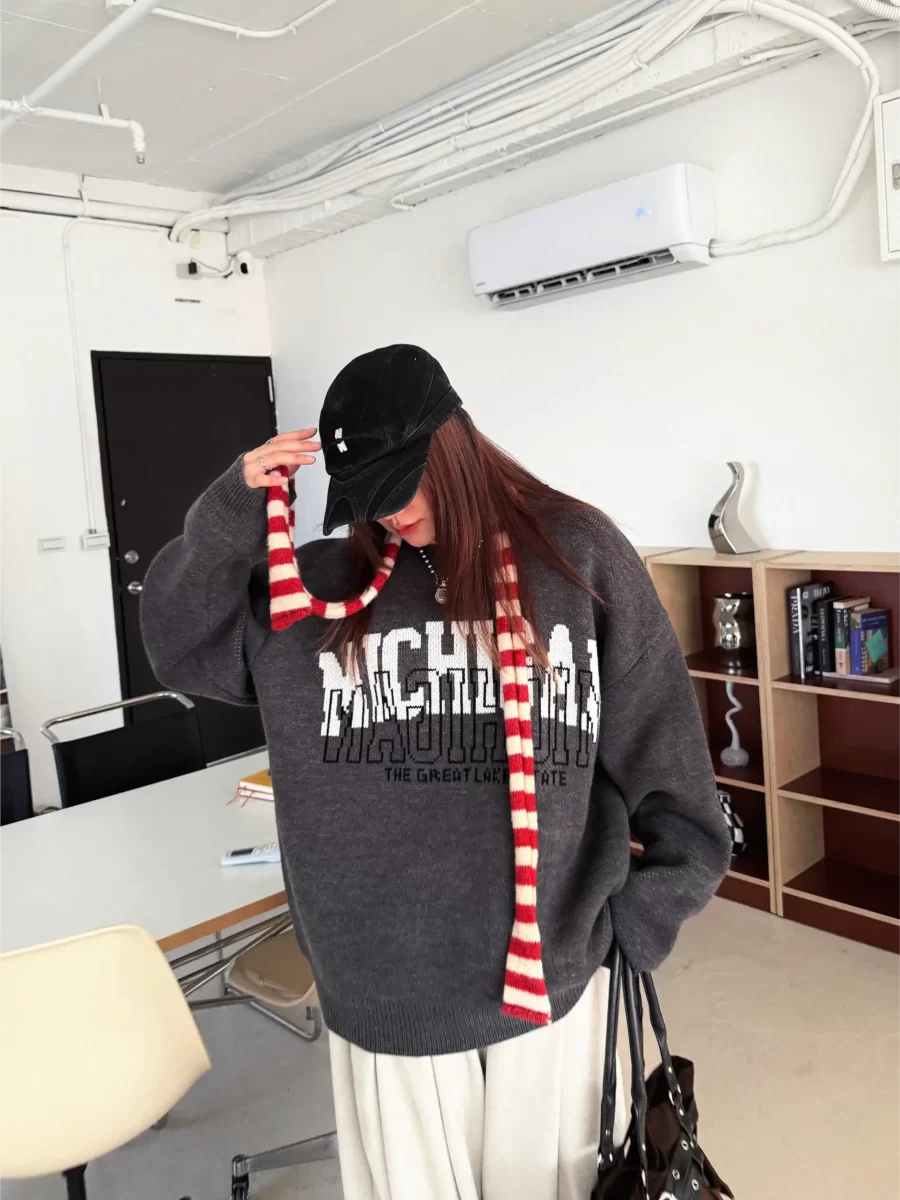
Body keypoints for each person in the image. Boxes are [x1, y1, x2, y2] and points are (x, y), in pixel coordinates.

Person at [142, 344, 730, 1200]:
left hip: (551, 981)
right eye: (368, 497)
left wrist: (635, 930)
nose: (392, 512)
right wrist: (230, 509)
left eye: (403, 483)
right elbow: (179, 647)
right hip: (385, 992)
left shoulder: (576, 555)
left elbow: (665, 753)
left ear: (454, 444)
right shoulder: (314, 589)